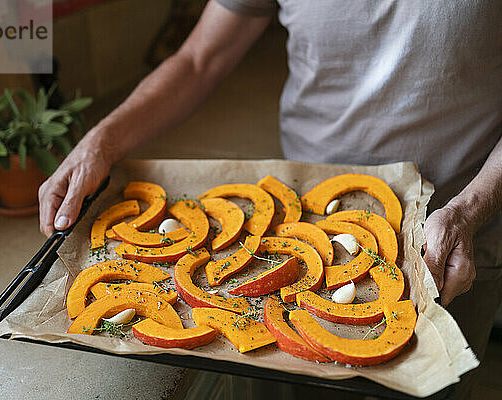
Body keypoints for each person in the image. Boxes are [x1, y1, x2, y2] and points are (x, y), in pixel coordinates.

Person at [38, 1, 502, 397]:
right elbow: (202, 57)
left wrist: (471, 207)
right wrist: (102, 142)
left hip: (452, 238)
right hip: (289, 227)